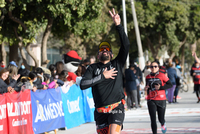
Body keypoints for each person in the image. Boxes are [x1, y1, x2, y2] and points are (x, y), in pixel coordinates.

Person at [80, 8, 130, 134]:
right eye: (102, 50)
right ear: (98, 55)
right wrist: (103, 76)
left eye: (107, 49)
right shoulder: (92, 68)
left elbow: (126, 45)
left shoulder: (117, 63)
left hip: (116, 108)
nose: (104, 51)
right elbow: (83, 84)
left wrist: (118, 25)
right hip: (100, 111)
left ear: (112, 55)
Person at [145, 60, 172, 134]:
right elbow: (147, 87)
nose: (153, 68)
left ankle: (163, 123)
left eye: (155, 66)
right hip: (151, 100)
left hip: (161, 99)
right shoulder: (147, 77)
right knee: (153, 119)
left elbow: (170, 85)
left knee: (161, 118)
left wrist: (161, 87)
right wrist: (146, 89)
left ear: (158, 67)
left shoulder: (162, 75)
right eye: (151, 67)